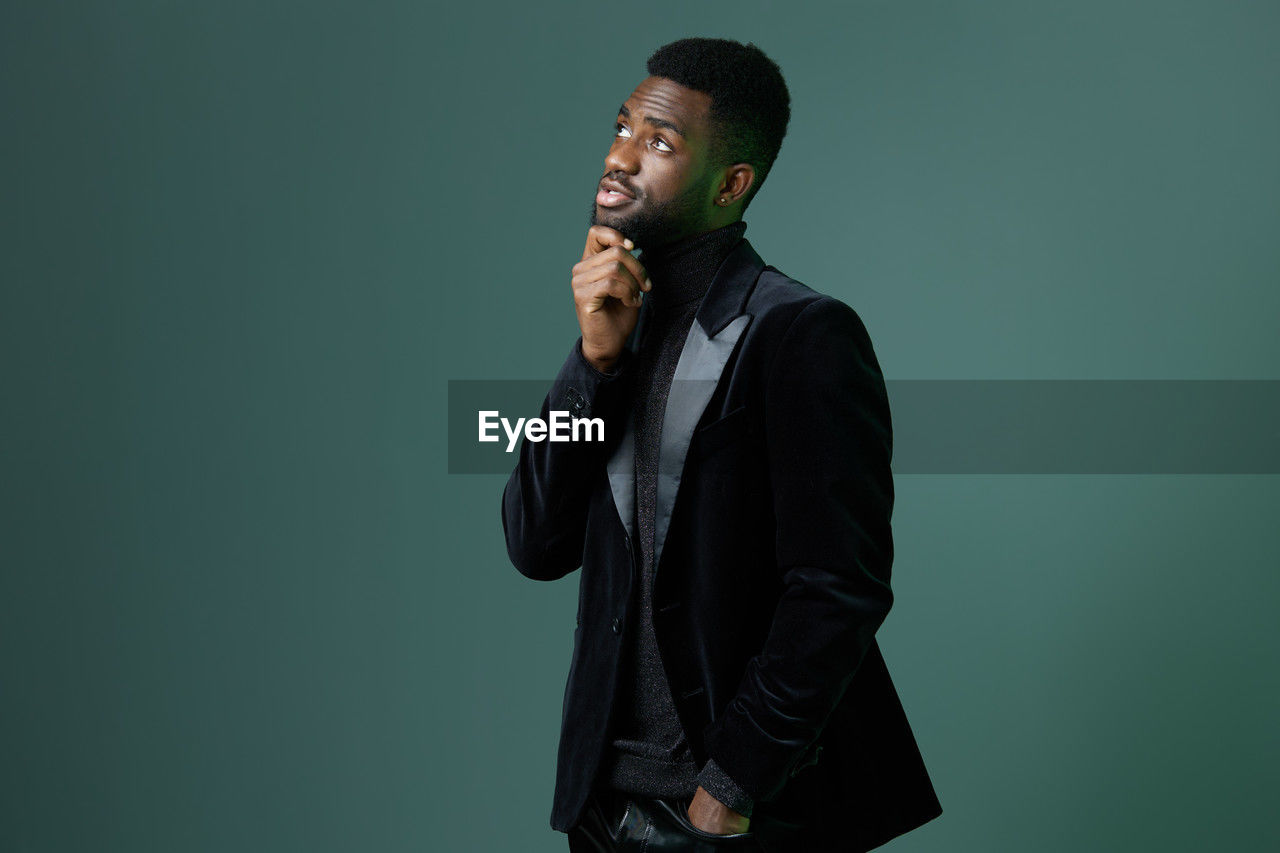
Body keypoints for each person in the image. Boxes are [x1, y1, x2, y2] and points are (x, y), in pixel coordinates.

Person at [501, 37, 941, 852]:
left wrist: (731, 784)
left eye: (659, 142)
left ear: (731, 183)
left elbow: (837, 584)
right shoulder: (613, 325)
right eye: (622, 126)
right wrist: (592, 363)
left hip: (734, 811)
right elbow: (534, 541)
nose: (619, 156)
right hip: (600, 801)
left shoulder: (801, 333)